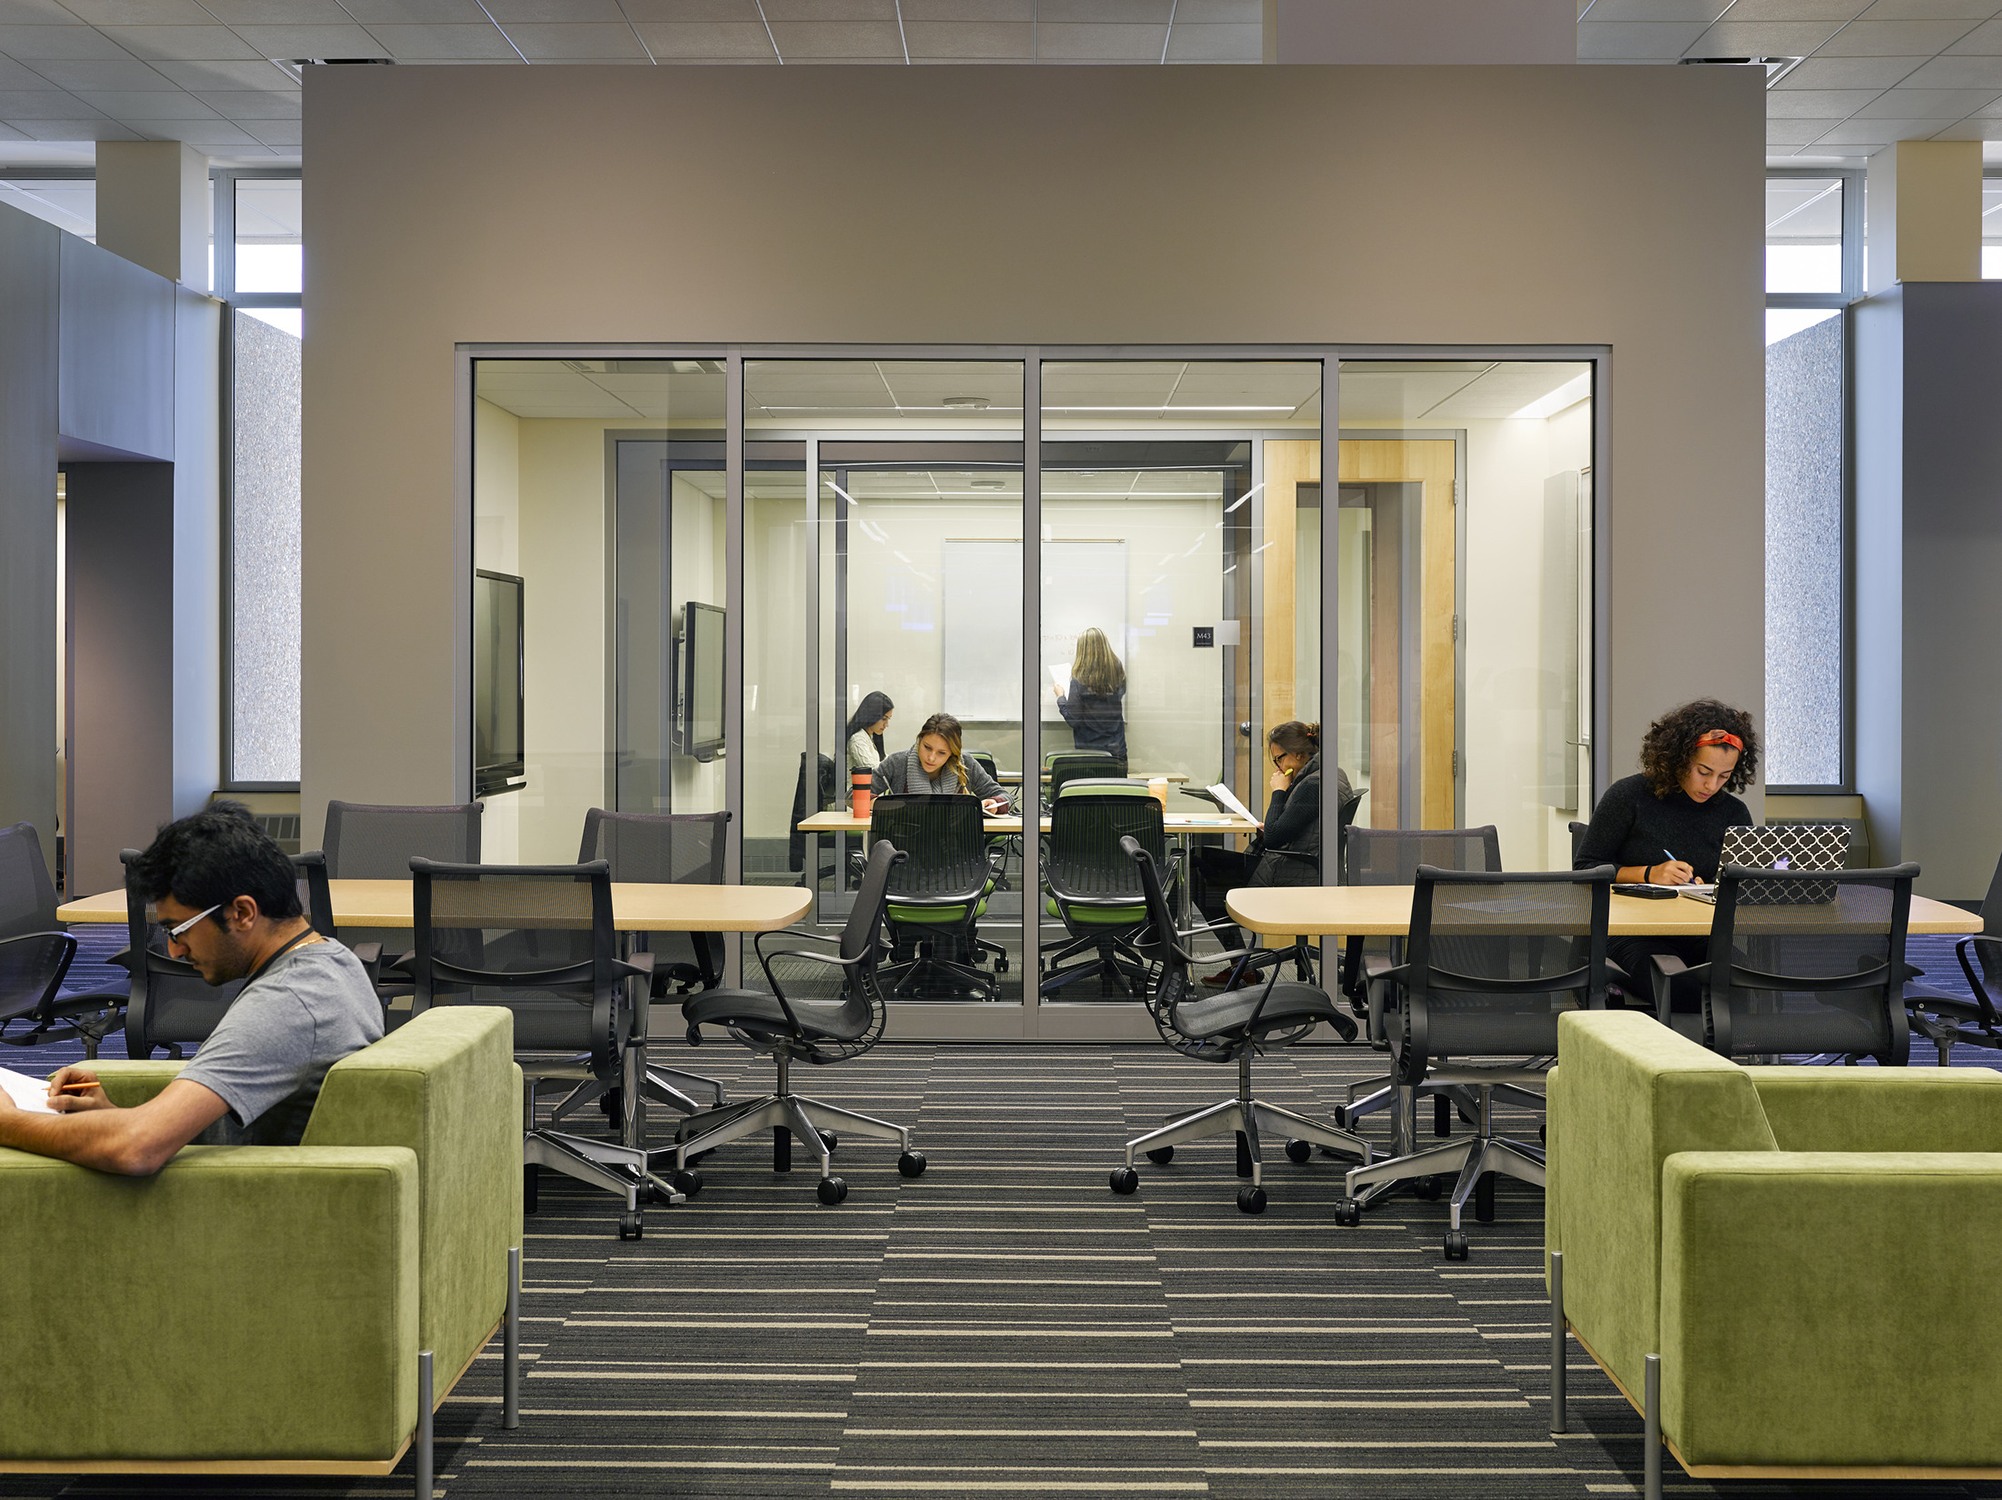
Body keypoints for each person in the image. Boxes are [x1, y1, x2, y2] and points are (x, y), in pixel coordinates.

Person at [0, 803, 384, 1175]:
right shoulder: (333, 960)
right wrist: (110, 1116)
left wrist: (9, 1121)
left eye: (177, 929)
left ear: (243, 912)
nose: (173, 949)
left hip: (221, 1201)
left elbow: (138, 1150)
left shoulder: (285, 1004)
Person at [1573, 698, 1760, 1008]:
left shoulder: (1734, 813)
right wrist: (1650, 874)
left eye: (1724, 776)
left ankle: (1716, 1054)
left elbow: (1739, 882)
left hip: (1700, 932)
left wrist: (1711, 886)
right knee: (1680, 991)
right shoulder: (1629, 796)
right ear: (1679, 758)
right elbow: (1585, 867)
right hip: (1633, 933)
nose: (1712, 785)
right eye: (1703, 771)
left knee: (1744, 985)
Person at [1192, 721, 1355, 982]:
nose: (1277, 766)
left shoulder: (1313, 785)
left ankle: (1238, 963)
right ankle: (1238, 963)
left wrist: (1279, 792)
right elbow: (1291, 829)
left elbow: (1276, 839)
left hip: (1293, 873)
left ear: (1299, 755)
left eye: (1279, 758)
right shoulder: (1330, 774)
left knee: (1196, 871)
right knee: (1200, 860)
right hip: (1303, 865)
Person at [875, 711, 1014, 815]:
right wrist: (885, 806)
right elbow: (854, 795)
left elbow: (1005, 797)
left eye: (941, 753)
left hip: (957, 847)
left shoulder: (966, 764)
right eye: (927, 747)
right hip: (903, 847)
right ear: (919, 740)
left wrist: (995, 803)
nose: (931, 758)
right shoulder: (897, 762)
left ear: (952, 753)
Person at [1054, 627, 1127, 762]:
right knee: (1117, 783)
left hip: (1089, 753)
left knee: (1089, 784)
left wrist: (1060, 697)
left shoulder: (1079, 680)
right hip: (1117, 750)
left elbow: (1073, 719)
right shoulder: (1118, 674)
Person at [844, 690, 895, 776]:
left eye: (888, 719)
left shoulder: (871, 737)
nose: (886, 725)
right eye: (883, 719)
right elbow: (875, 772)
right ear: (872, 715)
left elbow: (885, 761)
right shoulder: (857, 739)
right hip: (854, 789)